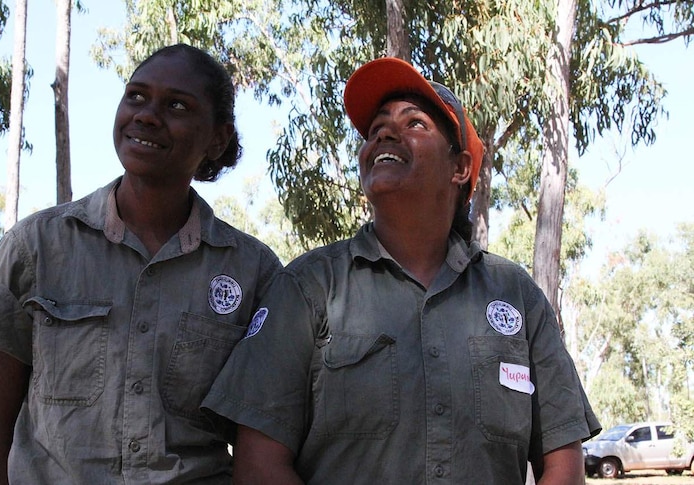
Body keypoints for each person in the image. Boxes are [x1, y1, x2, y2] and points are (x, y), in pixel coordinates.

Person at [201, 57, 601, 484]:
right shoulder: (308, 286)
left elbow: (563, 463)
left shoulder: (516, 295)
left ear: (460, 168)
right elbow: (258, 463)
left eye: (415, 124)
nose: (385, 133)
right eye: (375, 130)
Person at [0, 43, 282, 484]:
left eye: (177, 105)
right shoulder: (37, 247)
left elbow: (263, 440)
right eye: (136, 96)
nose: (147, 114)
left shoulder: (253, 272)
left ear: (218, 138)